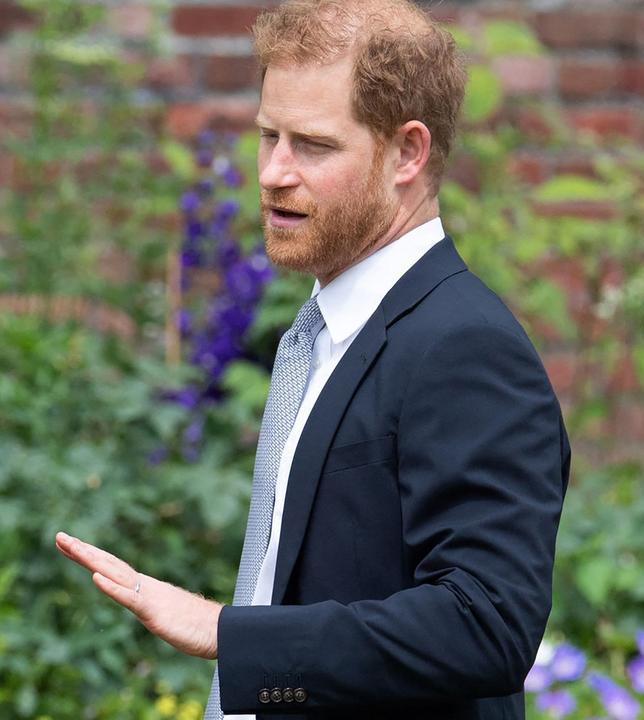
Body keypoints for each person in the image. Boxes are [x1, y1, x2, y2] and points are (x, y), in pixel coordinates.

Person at [55, 1, 570, 717]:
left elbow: (487, 623)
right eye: (269, 136)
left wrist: (226, 633)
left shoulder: (463, 346)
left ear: (408, 153)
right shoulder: (325, 331)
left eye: (314, 146)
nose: (272, 172)